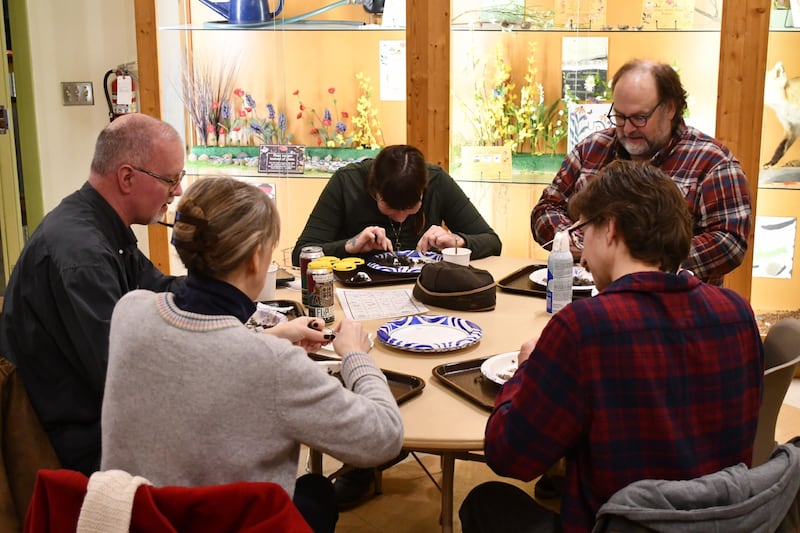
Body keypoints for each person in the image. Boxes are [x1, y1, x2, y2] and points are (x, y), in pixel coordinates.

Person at [459, 160, 764, 533]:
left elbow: (509, 456)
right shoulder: (737, 312)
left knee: (486, 500)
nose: (583, 256)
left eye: (583, 231)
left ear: (611, 229)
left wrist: (526, 369)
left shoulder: (584, 327)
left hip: (620, 524)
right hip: (725, 522)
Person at [100, 177, 404, 533]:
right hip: (226, 523)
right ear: (257, 256)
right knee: (316, 492)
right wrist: (354, 355)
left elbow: (202, 352)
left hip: (137, 519)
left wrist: (271, 335)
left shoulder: (130, 311)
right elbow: (384, 437)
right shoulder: (274, 365)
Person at [0, 114, 187, 476]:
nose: (177, 191)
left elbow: (159, 291)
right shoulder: (82, 254)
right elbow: (120, 376)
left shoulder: (100, 228)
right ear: (127, 177)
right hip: (74, 450)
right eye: (171, 179)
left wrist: (223, 291)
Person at [531, 59, 751, 286]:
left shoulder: (712, 162)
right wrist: (583, 240)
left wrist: (641, 260)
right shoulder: (591, 149)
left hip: (673, 301)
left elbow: (730, 242)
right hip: (583, 294)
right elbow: (546, 209)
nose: (627, 129)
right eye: (619, 116)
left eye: (639, 118)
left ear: (670, 108)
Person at [291, 144, 502, 265]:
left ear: (423, 191)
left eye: (410, 208)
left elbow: (492, 242)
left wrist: (456, 241)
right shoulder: (347, 181)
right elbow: (300, 254)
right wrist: (350, 246)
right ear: (374, 190)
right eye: (390, 207)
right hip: (359, 292)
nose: (400, 218)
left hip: (427, 291)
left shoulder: (437, 181)